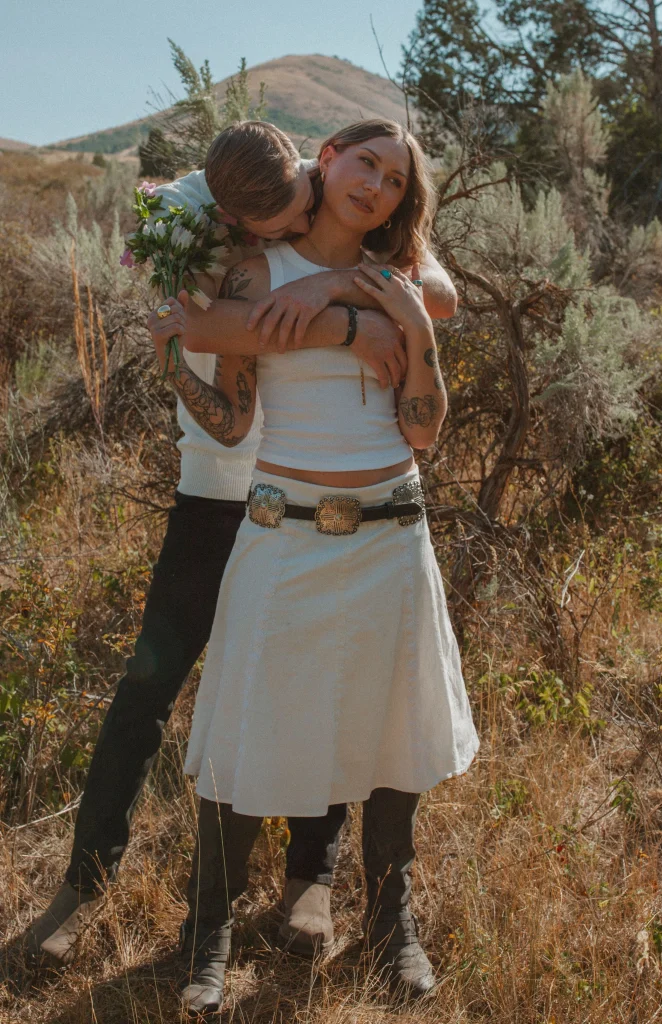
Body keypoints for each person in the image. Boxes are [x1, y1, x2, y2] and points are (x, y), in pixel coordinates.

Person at [22, 120, 458, 970]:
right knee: (147, 688)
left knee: (328, 682)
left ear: (316, 165)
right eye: (267, 218)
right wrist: (344, 329)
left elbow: (431, 288)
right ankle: (83, 883)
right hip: (217, 494)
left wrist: (344, 291)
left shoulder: (348, 207)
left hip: (325, 498)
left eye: (297, 205)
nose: (284, 223)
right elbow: (199, 324)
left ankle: (311, 881)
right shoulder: (201, 200)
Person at [160, 119, 479, 1016]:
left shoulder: (405, 282)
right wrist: (336, 317)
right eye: (364, 162)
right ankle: (208, 937)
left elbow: (422, 428)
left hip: (391, 533)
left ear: (400, 200)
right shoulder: (253, 270)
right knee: (245, 726)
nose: (374, 185)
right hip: (280, 529)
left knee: (392, 735)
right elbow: (229, 412)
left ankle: (392, 924)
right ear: (326, 156)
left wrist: (412, 327)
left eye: (393, 179)